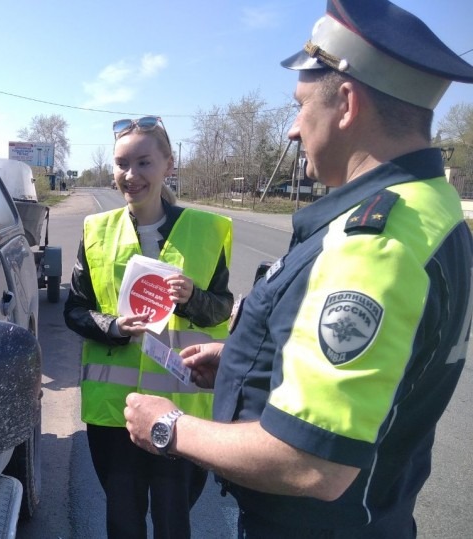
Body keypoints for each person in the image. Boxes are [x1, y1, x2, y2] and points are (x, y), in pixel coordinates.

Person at [123, 1, 473, 537]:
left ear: (348, 104)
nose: (291, 130)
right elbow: (380, 378)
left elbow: (312, 463)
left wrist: (167, 427)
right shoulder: (433, 207)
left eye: (300, 105)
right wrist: (244, 362)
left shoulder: (375, 245)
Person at [64, 115, 234, 538]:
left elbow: (222, 310)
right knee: (123, 521)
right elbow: (75, 310)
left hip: (182, 410)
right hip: (114, 413)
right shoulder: (96, 232)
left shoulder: (207, 231)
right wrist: (113, 326)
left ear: (167, 164)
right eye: (122, 164)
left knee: (174, 522)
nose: (131, 175)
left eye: (143, 163)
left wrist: (193, 298)